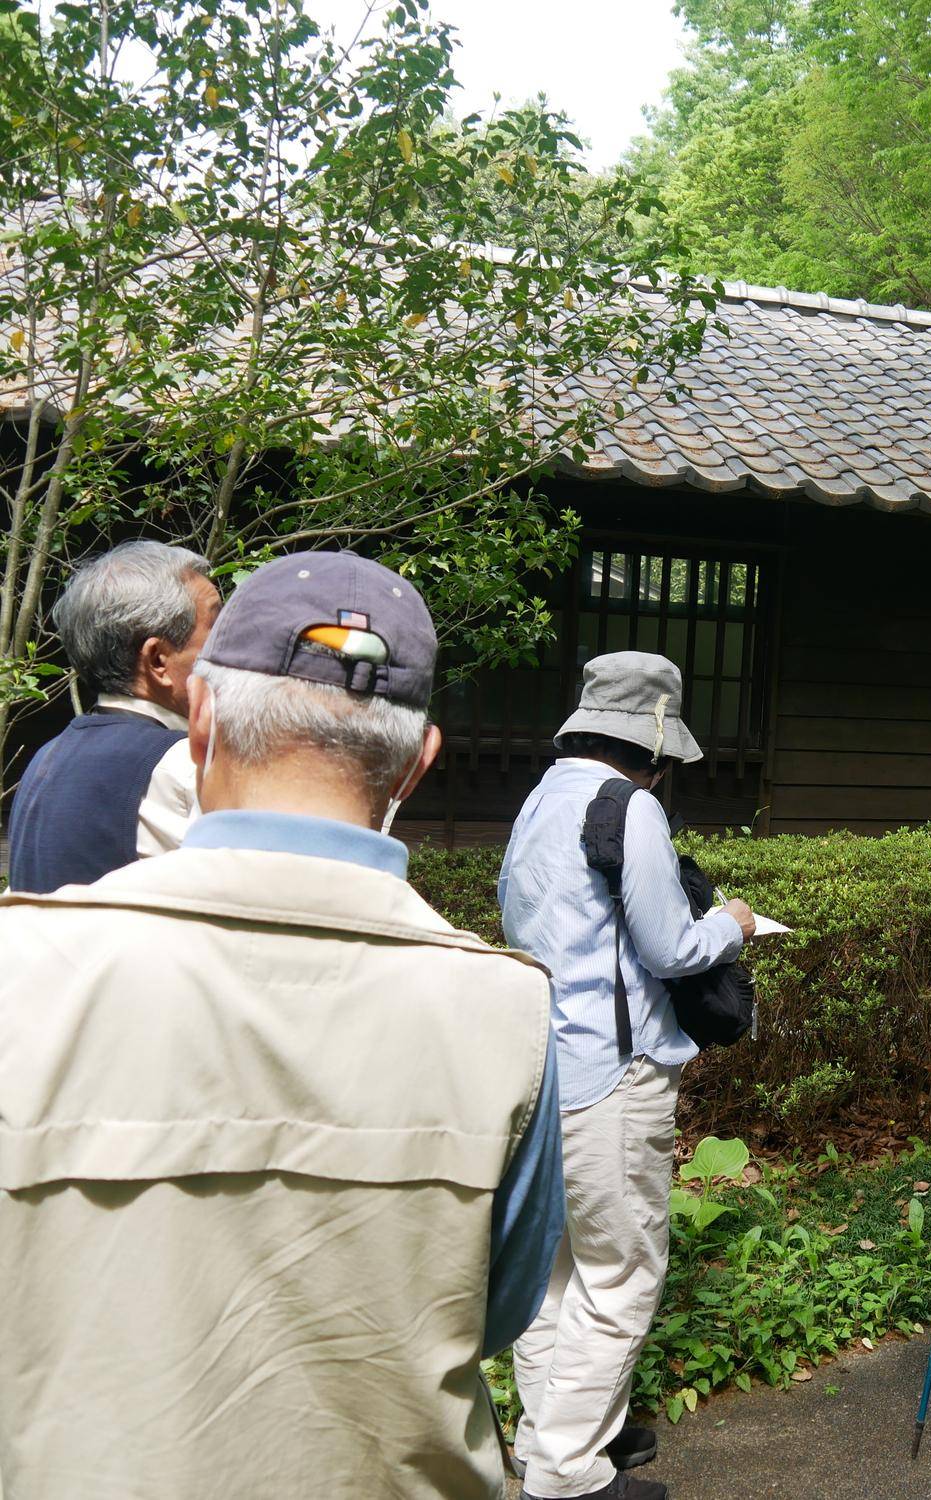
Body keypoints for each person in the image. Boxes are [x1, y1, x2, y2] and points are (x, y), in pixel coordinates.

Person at [0, 550, 562, 1498]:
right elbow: (495, 1310)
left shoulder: (23, 965)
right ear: (419, 764)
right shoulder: (508, 1009)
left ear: (202, 720)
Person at [500, 651, 756, 1500]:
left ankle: (557, 1437)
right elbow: (671, 948)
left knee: (553, 1275)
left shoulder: (541, 799)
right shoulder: (630, 806)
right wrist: (732, 923)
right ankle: (568, 1475)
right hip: (614, 1075)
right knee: (621, 1273)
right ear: (650, 741)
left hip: (541, 1067)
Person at [7, 540, 220, 891]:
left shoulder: (45, 758)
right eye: (216, 625)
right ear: (157, 661)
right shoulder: (184, 764)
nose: (232, 645)